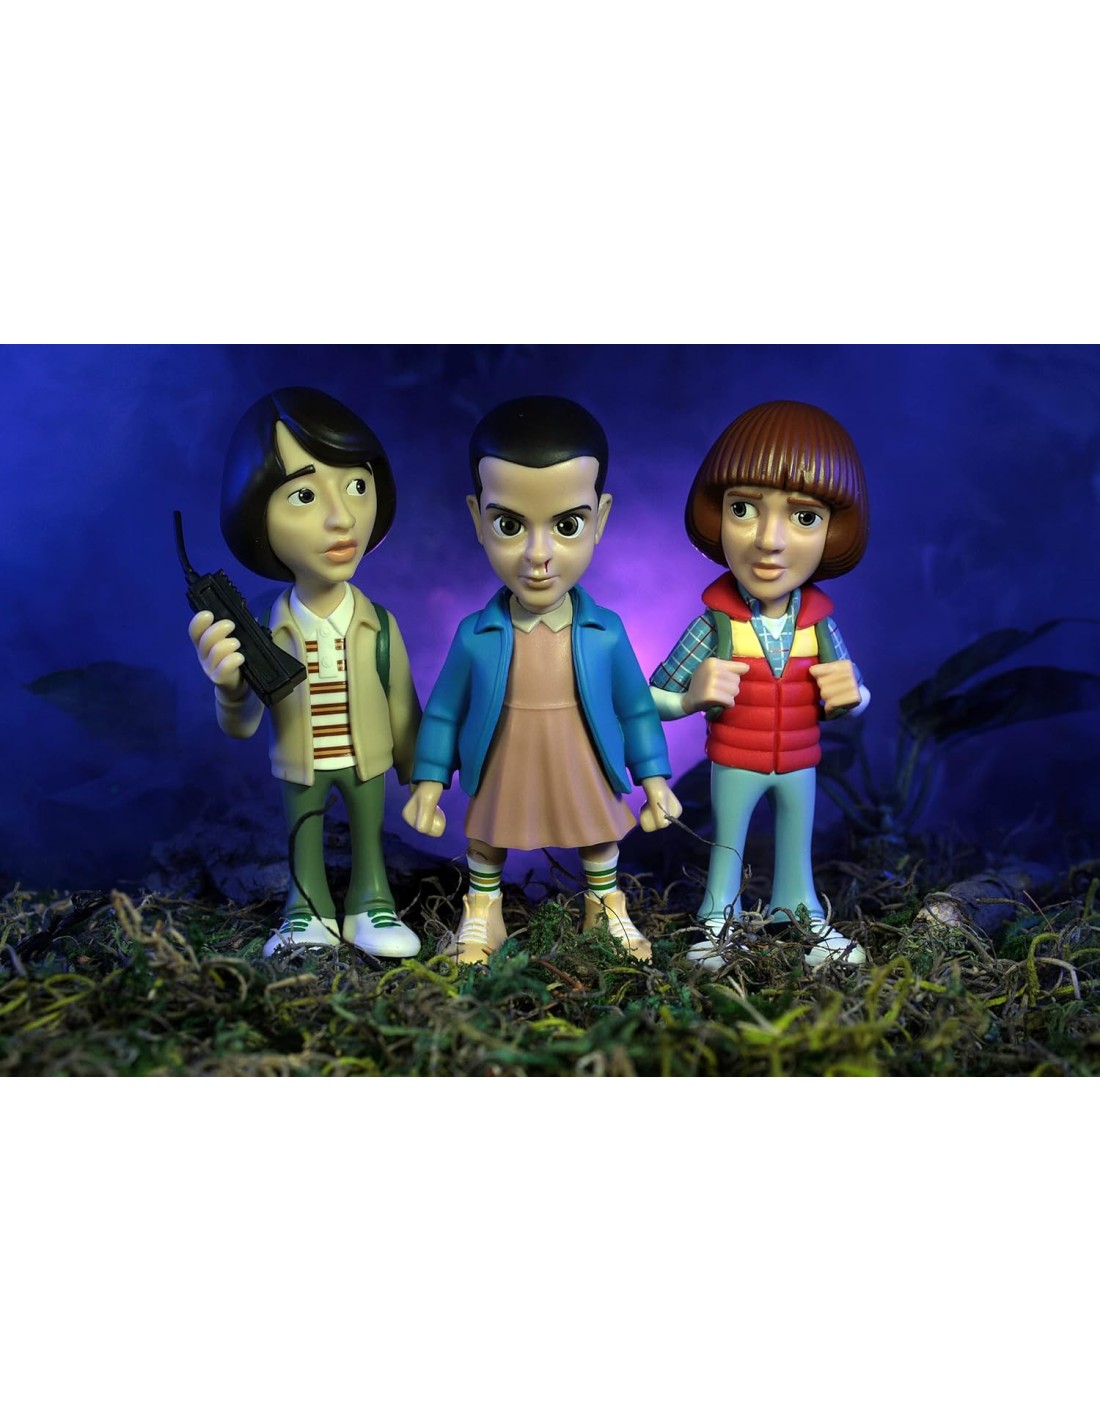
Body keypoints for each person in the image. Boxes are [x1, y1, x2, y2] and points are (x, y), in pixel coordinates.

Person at [402, 395, 681, 963]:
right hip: (506, 752)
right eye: (509, 525)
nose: (538, 555)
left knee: (597, 827)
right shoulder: (475, 635)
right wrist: (428, 783)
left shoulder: (605, 631)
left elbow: (635, 709)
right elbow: (444, 713)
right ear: (477, 520)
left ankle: (604, 907)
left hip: (580, 752)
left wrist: (654, 779)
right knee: (488, 832)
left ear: (600, 519)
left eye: (567, 525)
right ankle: (483, 912)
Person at [188, 386, 422, 959]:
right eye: (303, 495)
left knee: (369, 835)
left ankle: (372, 903)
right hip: (302, 757)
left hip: (367, 757)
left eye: (357, 486)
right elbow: (242, 724)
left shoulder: (379, 623)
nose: (342, 517)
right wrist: (229, 688)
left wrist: (422, 776)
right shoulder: (264, 630)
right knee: (303, 835)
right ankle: (306, 910)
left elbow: (401, 702)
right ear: (255, 515)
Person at [649, 399, 870, 967]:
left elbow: (851, 693)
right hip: (735, 760)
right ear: (716, 516)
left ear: (834, 531)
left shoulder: (818, 625)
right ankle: (717, 922)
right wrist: (691, 697)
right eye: (744, 509)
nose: (769, 541)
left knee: (797, 844)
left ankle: (800, 913)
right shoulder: (715, 625)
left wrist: (853, 695)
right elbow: (648, 699)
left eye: (803, 518)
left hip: (799, 760)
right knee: (727, 845)